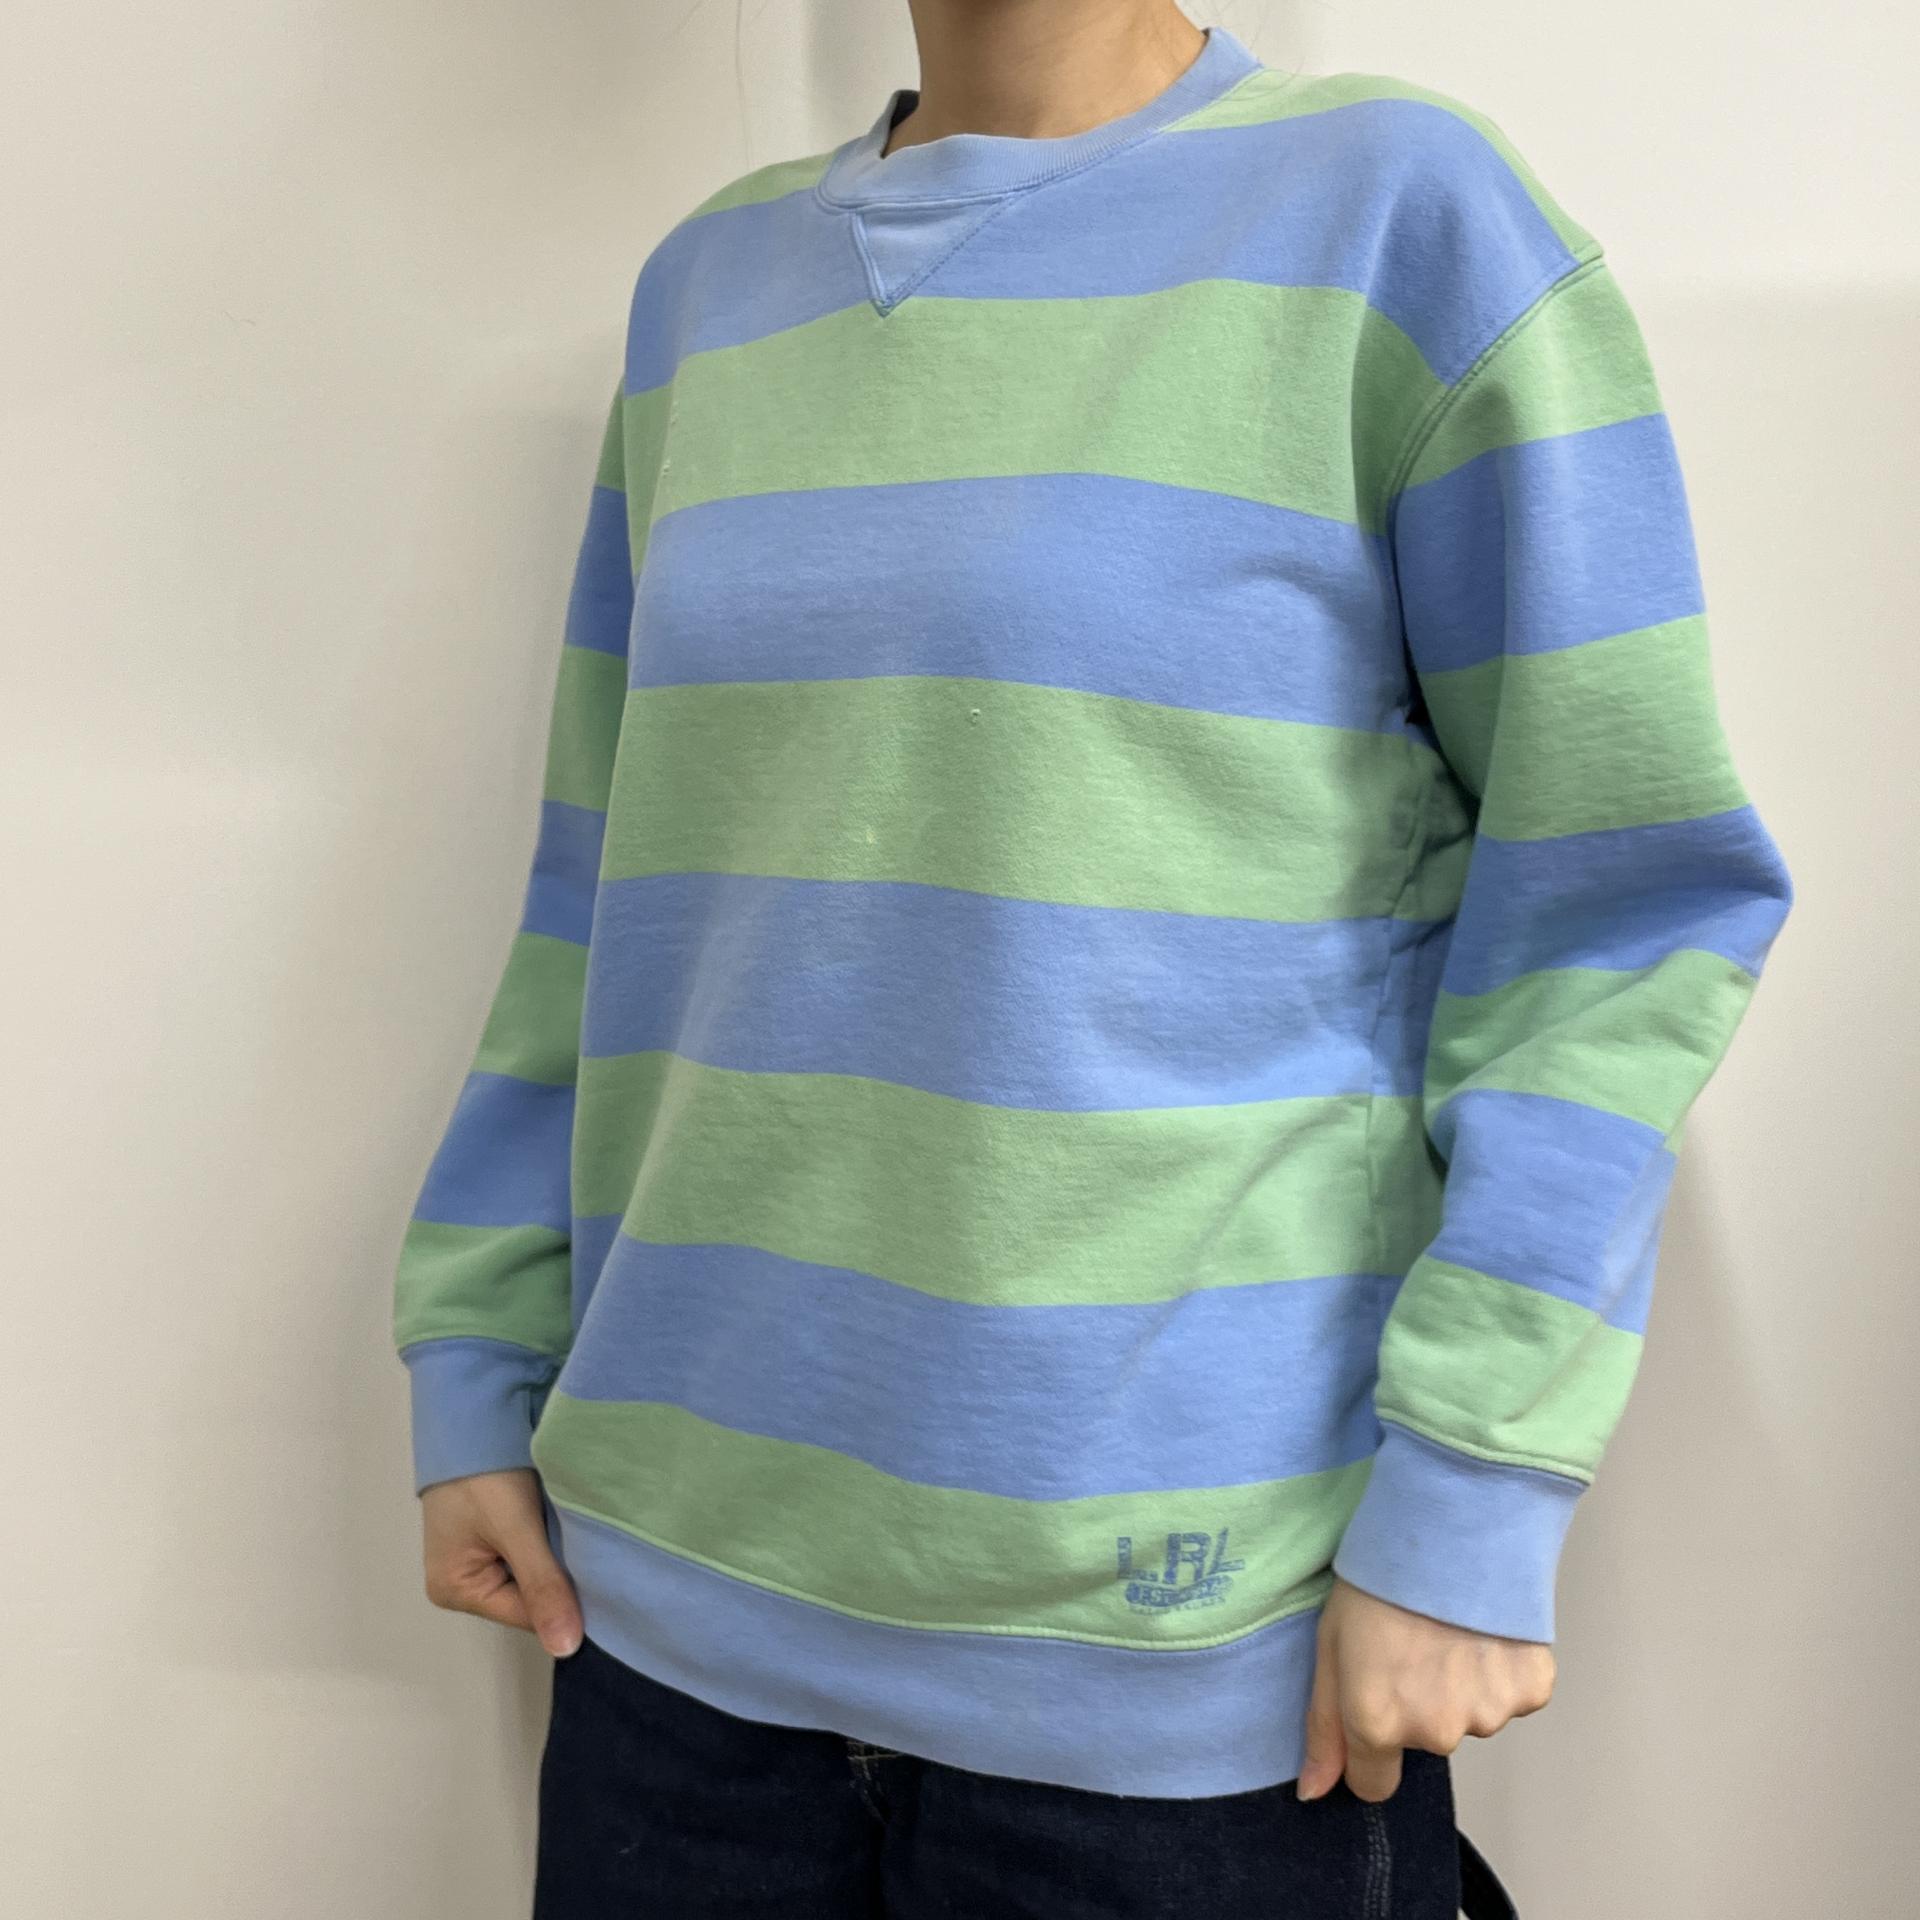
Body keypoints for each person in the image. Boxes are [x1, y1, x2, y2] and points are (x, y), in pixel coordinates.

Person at [391, 5, 1795, 1914]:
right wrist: (482, 1343)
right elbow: (604, 881)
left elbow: (1619, 910)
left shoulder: (1397, 212)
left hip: (1186, 1692)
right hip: (665, 1632)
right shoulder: (707, 291)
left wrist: (1473, 1485)